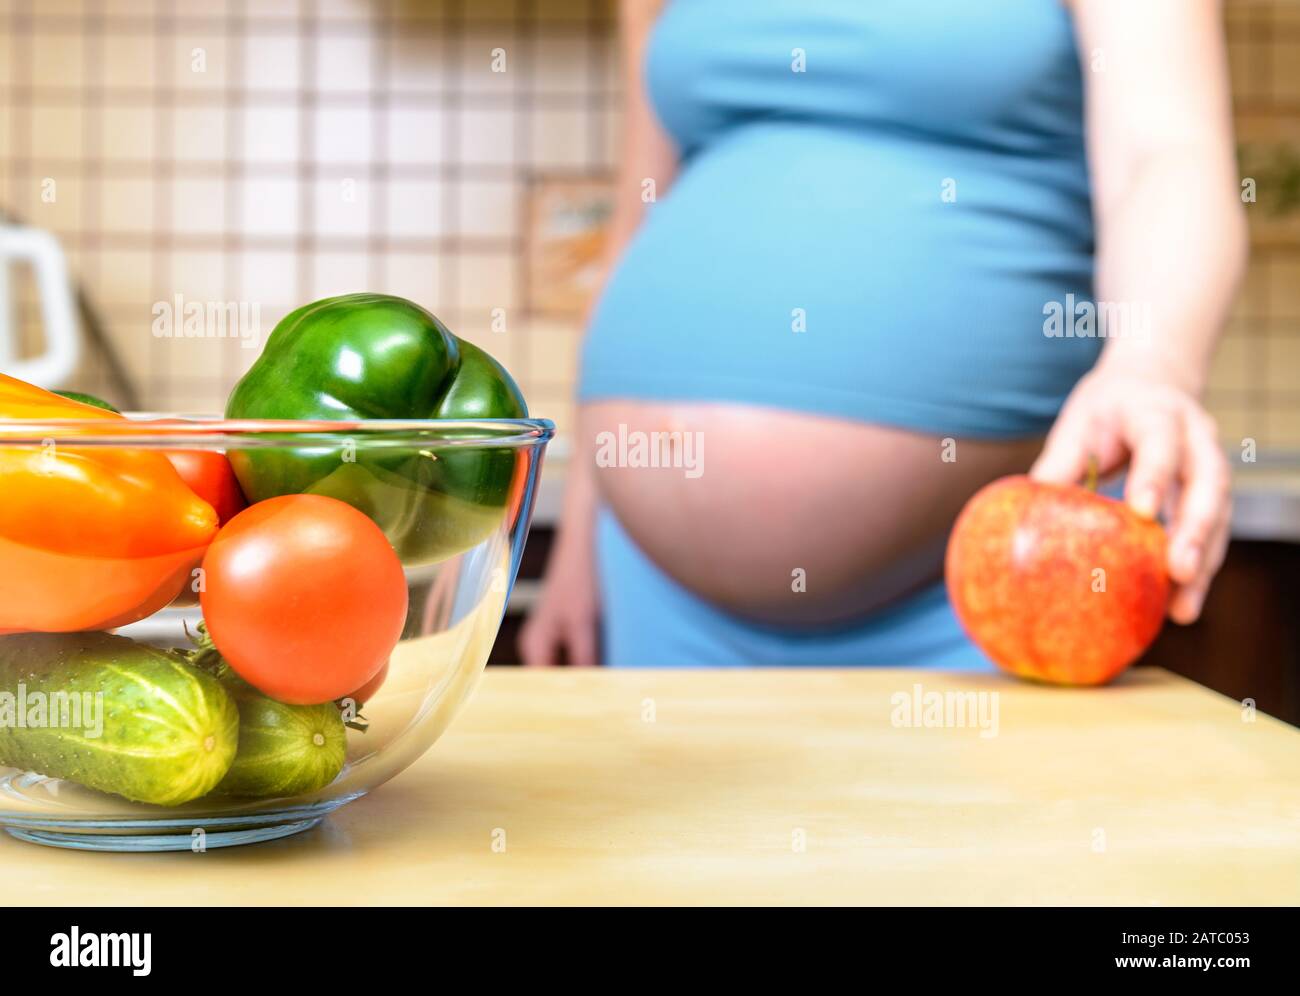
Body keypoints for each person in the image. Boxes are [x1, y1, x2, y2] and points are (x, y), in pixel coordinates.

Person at [521, 0, 1247, 668]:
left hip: (988, 586)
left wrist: (1152, 364)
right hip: (657, 596)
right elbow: (640, 212)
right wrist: (579, 538)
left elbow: (1165, 154)